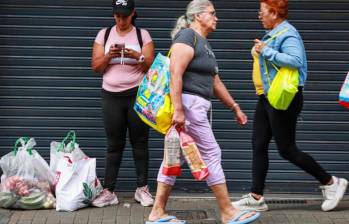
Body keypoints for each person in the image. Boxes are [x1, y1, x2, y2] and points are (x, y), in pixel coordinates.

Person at [147, 1, 261, 223]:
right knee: (211, 153)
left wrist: (234, 107)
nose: (216, 17)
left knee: (172, 158)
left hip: (194, 107)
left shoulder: (203, 44)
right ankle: (228, 211)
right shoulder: (187, 37)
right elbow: (175, 73)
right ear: (198, 16)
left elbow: (215, 81)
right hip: (189, 107)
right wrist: (179, 110)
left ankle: (157, 212)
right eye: (212, 13)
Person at [232, 0, 348, 212]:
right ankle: (256, 197)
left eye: (262, 12)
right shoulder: (276, 32)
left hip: (284, 98)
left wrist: (266, 51)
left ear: (274, 12)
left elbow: (296, 60)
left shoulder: (288, 33)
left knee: (286, 148)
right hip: (266, 97)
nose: (259, 15)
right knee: (258, 144)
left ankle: (331, 182)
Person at [91, 0, 155, 207]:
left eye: (125, 16)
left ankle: (142, 189)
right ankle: (109, 191)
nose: (121, 20)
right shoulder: (105, 34)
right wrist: (109, 55)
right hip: (111, 96)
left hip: (137, 95)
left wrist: (137, 55)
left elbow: (152, 67)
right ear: (113, 15)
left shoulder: (142, 35)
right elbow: (95, 66)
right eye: (117, 16)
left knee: (140, 143)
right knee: (114, 145)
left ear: (133, 14)